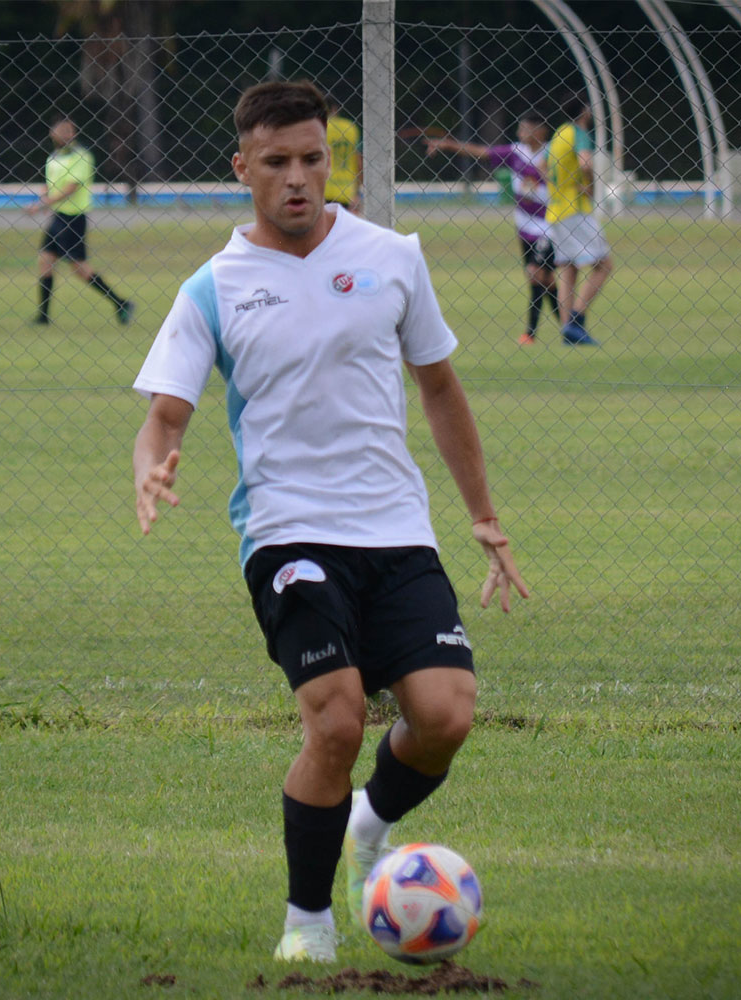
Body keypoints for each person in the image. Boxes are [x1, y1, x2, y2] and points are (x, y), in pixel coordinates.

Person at [131, 80, 528, 965]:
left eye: (314, 158)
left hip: (396, 530)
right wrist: (150, 471)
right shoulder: (213, 288)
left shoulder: (393, 256)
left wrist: (484, 517)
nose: (300, 178)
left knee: (446, 714)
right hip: (289, 534)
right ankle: (307, 923)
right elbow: (164, 416)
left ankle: (366, 821)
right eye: (278, 163)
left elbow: (439, 387)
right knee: (338, 720)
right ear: (243, 169)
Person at [425, 112, 559, 345]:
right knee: (545, 280)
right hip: (524, 227)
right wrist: (448, 145)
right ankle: (570, 326)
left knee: (536, 275)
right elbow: (482, 152)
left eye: (526, 128)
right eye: (520, 128)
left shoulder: (553, 152)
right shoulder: (516, 152)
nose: (520, 132)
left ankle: (531, 333)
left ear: (541, 130)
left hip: (549, 227)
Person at [23, 118, 133, 326]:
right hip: (58, 217)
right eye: (58, 131)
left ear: (73, 134)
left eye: (67, 131)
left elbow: (72, 187)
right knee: (45, 262)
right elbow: (50, 184)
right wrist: (43, 197)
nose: (62, 135)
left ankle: (120, 302)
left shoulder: (82, 156)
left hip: (73, 219)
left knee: (79, 268)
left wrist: (43, 204)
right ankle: (43, 316)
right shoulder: (54, 157)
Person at [543, 92, 613, 346]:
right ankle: (577, 318)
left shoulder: (559, 133)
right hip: (576, 209)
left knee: (568, 269)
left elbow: (543, 165)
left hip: (556, 208)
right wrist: (589, 186)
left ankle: (567, 331)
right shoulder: (579, 132)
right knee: (603, 264)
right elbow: (585, 164)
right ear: (583, 111)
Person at [324, 97, 362, 213]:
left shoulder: (320, 127)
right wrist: (358, 192)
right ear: (336, 108)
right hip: (347, 190)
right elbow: (358, 161)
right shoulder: (350, 127)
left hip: (324, 188)